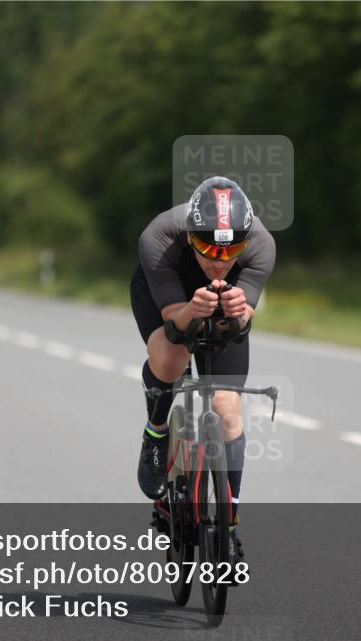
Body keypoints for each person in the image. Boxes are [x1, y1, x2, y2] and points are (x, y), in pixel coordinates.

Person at [131, 176, 276, 567]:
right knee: (172, 356)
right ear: (190, 235)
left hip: (224, 302)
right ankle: (156, 432)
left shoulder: (261, 244)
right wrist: (190, 312)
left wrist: (238, 315)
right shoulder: (160, 237)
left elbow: (240, 327)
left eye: (232, 249)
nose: (219, 260)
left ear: (246, 241)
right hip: (168, 291)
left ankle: (230, 528)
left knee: (227, 409)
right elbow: (175, 327)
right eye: (208, 247)